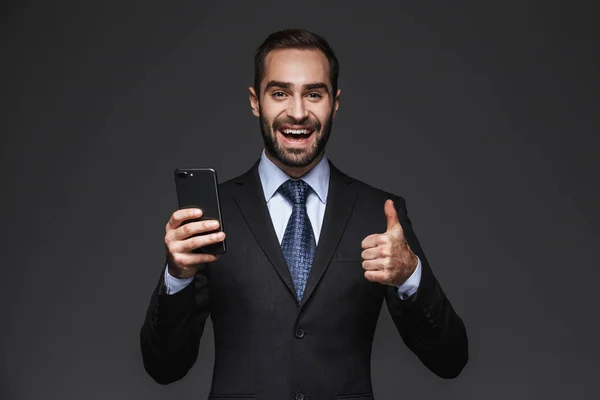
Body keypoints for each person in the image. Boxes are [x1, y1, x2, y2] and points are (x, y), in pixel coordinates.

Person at [140, 29, 468, 400]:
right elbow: (164, 367)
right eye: (280, 93)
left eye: (314, 94)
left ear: (335, 102)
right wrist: (177, 276)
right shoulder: (212, 216)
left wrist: (411, 276)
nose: (298, 112)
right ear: (254, 101)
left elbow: (450, 359)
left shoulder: (380, 213)